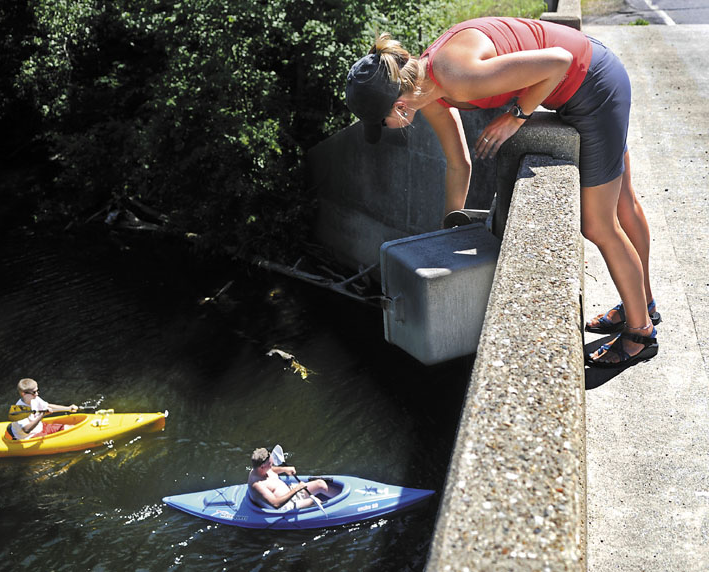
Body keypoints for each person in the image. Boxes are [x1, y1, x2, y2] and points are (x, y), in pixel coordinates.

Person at [345, 17, 659, 368]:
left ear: (397, 107)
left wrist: (516, 116)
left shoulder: (456, 76)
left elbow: (559, 62)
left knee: (599, 225)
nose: (384, 129)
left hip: (595, 86)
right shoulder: (425, 87)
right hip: (588, 77)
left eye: (380, 122)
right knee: (624, 203)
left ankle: (640, 333)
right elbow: (459, 164)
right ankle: (642, 302)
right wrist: (451, 231)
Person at [247, 447, 329, 510]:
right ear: (262, 466)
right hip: (285, 506)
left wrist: (284, 469)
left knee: (321, 484)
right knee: (314, 501)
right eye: (270, 463)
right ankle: (331, 514)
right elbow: (276, 504)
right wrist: (297, 489)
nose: (272, 464)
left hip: (290, 490)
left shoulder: (259, 469)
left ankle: (339, 500)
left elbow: (270, 469)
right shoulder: (257, 485)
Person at [9, 378, 79, 440]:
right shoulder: (18, 410)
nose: (36, 394)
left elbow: (47, 405)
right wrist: (42, 414)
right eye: (34, 392)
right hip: (30, 436)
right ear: (23, 394)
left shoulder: (34, 398)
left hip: (41, 427)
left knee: (71, 428)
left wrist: (68, 408)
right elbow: (26, 430)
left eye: (37, 391)